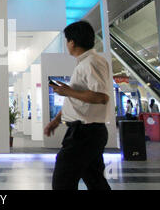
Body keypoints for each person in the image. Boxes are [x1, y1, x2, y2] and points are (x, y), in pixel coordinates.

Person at [44, 20, 111, 190]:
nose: (67, 45)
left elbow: (101, 97)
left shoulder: (91, 62)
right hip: (85, 131)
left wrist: (68, 92)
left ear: (72, 42)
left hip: (85, 133)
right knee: (95, 180)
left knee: (63, 181)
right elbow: (77, 100)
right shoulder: (85, 63)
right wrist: (56, 121)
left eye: (67, 41)